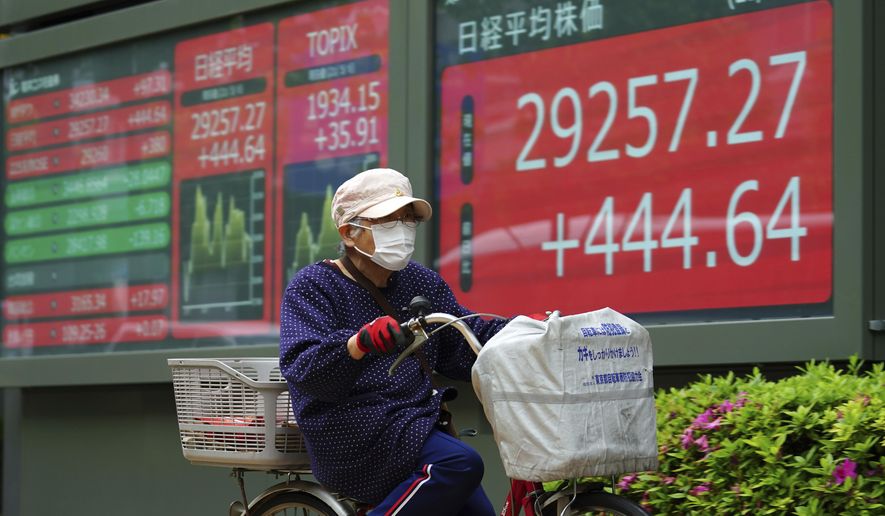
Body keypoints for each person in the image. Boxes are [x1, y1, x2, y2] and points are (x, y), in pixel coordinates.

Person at [280, 168, 508, 515]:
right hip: (350, 430)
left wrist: (525, 332)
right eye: (387, 220)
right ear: (349, 233)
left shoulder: (419, 281)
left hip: (413, 423)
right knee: (459, 464)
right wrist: (357, 343)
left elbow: (461, 339)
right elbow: (303, 366)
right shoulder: (313, 285)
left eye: (408, 219)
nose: (402, 229)